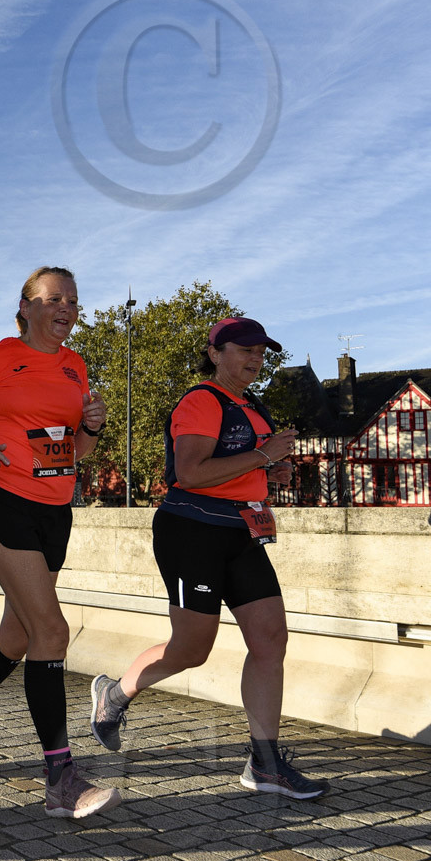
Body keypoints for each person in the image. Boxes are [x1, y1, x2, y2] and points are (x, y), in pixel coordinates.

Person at [87, 317, 328, 799]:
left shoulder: (253, 406)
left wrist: (269, 473)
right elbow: (192, 473)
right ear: (216, 354)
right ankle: (114, 693)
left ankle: (264, 763)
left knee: (270, 639)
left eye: (262, 351)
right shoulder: (202, 401)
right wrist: (263, 457)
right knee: (192, 649)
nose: (257, 358)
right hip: (192, 531)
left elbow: (236, 466)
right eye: (245, 349)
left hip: (242, 531)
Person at [0, 267, 120, 821]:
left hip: (54, 510)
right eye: (54, 299)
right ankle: (61, 779)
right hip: (2, 501)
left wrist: (92, 426)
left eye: (73, 301)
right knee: (51, 630)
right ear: (26, 307)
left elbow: (75, 451)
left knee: (18, 633)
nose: (67, 308)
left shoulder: (75, 365)